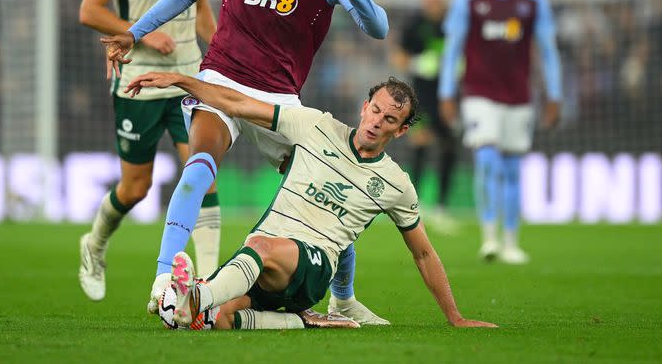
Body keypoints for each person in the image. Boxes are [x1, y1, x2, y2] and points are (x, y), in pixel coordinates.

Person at [102, 0, 390, 323]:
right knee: (198, 168)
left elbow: (378, 29)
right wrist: (134, 33)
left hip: (280, 100)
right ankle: (162, 280)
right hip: (222, 79)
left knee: (332, 191)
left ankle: (343, 297)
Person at [124, 71, 497, 330]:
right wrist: (184, 82)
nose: (377, 121)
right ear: (364, 106)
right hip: (263, 259)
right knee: (219, 319)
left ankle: (191, 298)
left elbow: (424, 253)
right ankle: (299, 320)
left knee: (254, 251)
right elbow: (237, 104)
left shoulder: (396, 184)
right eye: (376, 110)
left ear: (400, 131)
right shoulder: (314, 125)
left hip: (312, 266)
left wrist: (455, 317)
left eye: (390, 119)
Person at [77, 0, 219, 301]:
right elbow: (89, 10)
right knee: (136, 188)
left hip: (188, 83)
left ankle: (209, 287)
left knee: (202, 176)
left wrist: (229, 59)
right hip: (137, 84)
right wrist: (138, 31)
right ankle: (94, 243)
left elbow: (204, 18)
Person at [438, 0, 562, 264]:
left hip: (519, 96)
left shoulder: (533, 1)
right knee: (487, 160)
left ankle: (511, 243)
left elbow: (548, 51)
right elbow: (453, 49)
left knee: (511, 170)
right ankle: (489, 238)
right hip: (479, 94)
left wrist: (555, 93)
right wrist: (447, 92)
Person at [391, 0, 457, 232]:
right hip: (420, 96)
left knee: (449, 145)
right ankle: (413, 207)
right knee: (420, 143)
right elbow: (398, 57)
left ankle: (442, 206)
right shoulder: (414, 23)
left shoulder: (454, 22)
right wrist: (419, 64)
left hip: (450, 97)